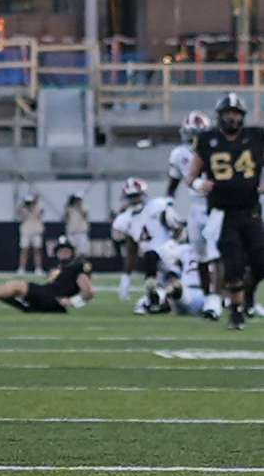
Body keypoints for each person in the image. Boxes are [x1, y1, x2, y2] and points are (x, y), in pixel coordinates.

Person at [187, 93, 264, 330]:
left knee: (261, 261)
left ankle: (248, 296)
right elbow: (191, 176)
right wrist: (199, 184)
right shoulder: (207, 139)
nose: (232, 117)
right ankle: (237, 312)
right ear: (220, 116)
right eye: (228, 113)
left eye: (236, 113)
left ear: (242, 116)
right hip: (222, 214)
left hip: (250, 210)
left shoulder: (256, 137)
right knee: (234, 264)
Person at [167, 111, 218, 315]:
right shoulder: (180, 154)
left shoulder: (216, 148)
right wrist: (168, 205)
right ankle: (209, 299)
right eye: (189, 133)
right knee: (201, 255)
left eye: (195, 133)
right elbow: (172, 185)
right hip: (196, 208)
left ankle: (221, 298)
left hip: (218, 206)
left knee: (220, 255)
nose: (191, 138)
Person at [0, 235, 93, 313]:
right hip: (45, 298)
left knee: (17, 285)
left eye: (66, 250)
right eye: (61, 251)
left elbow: (88, 292)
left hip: (52, 299)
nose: (63, 253)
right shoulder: (59, 267)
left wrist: (71, 302)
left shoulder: (78, 265)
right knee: (1, 293)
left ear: (72, 252)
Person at [111, 177, 182, 307]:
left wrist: (178, 248)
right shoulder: (124, 219)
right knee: (161, 286)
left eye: (136, 195)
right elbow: (132, 250)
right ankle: (157, 297)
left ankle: (155, 297)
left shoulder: (158, 206)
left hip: (169, 251)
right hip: (152, 261)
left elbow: (178, 229)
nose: (134, 199)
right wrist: (126, 277)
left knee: (176, 288)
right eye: (131, 196)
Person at [16, 193, 44, 275]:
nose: (29, 204)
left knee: (37, 251)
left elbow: (41, 212)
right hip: (26, 232)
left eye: (30, 202)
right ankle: (21, 269)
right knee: (24, 251)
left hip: (36, 232)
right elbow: (19, 213)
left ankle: (38, 269)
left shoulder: (37, 208)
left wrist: (36, 201)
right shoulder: (23, 209)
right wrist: (23, 204)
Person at [63, 193, 90, 257]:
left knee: (82, 251)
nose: (77, 201)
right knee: (71, 250)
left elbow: (85, 216)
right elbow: (65, 218)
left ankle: (82, 265)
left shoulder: (84, 207)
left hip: (81, 232)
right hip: (72, 232)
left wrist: (79, 207)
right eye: (76, 199)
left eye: (79, 199)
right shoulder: (69, 208)